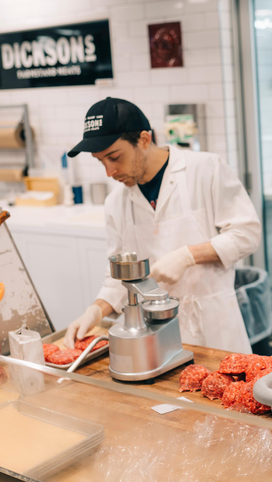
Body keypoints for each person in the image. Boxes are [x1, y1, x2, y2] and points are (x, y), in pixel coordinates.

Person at [63, 97, 261, 354]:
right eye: (101, 161)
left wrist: (187, 256)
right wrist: (95, 311)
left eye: (114, 157)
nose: (109, 172)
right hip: (154, 335)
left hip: (214, 328)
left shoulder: (205, 169)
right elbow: (119, 278)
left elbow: (247, 234)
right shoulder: (116, 202)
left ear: (144, 139)